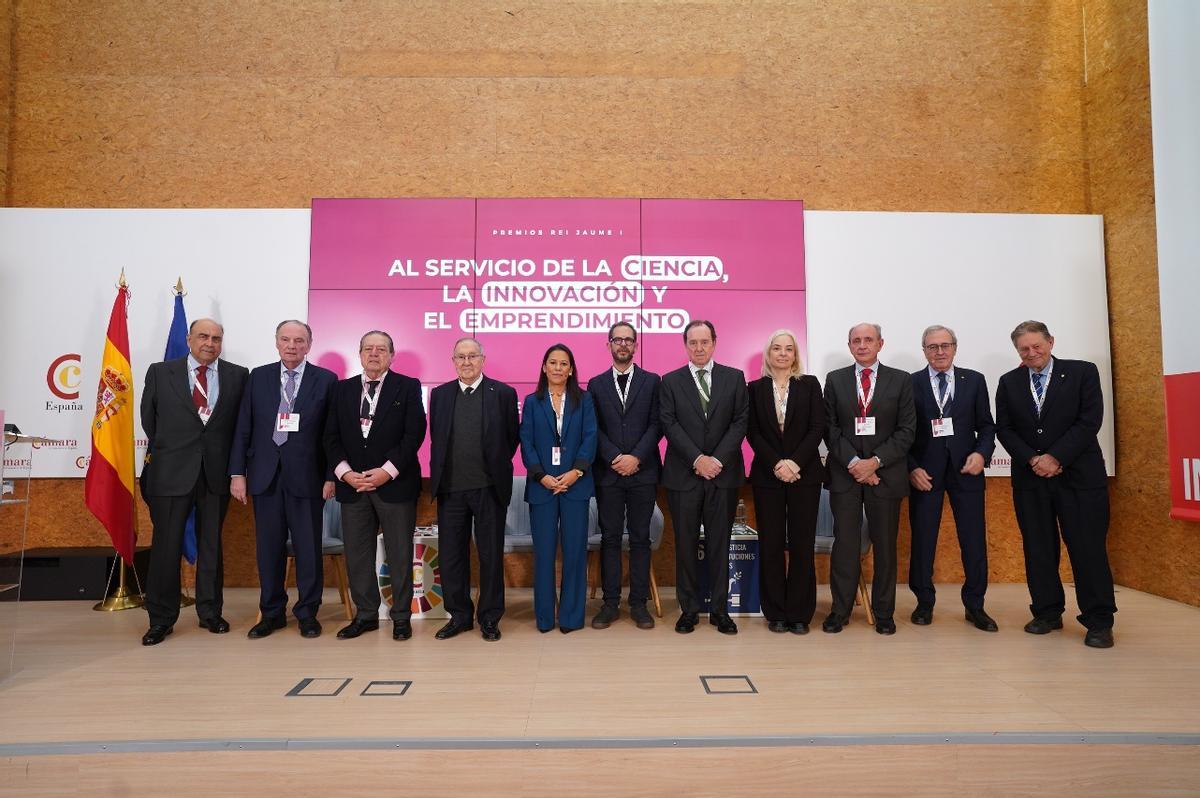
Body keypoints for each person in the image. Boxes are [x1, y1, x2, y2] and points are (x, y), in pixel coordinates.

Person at [995, 320, 1116, 648]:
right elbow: (1004, 428)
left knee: (1087, 548)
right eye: (1024, 348)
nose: (1032, 353)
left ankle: (1099, 620)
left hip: (1079, 477)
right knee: (1038, 548)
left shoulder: (1082, 373)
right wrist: (1034, 460)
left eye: (1037, 345)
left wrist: (1055, 457)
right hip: (1031, 479)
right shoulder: (1009, 382)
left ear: (1051, 341)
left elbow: (1089, 420)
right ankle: (1047, 612)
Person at [140, 318, 248, 646]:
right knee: (165, 548)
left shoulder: (237, 375)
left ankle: (210, 613)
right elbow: (149, 420)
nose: (210, 343)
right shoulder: (160, 372)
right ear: (189, 339)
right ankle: (161, 619)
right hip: (171, 473)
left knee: (211, 546)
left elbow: (240, 427)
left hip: (215, 474)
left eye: (216, 338)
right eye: (203, 336)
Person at [229, 320, 337, 639]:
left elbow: (332, 435)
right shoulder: (258, 377)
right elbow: (243, 428)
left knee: (307, 550)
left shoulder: (326, 380)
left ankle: (307, 613)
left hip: (308, 478)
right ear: (276, 342)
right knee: (268, 550)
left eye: (299, 340)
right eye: (285, 339)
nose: (292, 345)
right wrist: (238, 473)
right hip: (264, 478)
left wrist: (331, 476)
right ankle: (272, 613)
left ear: (309, 345)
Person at [323, 330, 426, 641]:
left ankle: (401, 618)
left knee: (399, 554)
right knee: (357, 554)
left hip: (394, 484)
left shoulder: (407, 387)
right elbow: (330, 437)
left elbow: (414, 435)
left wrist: (386, 471)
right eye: (369, 348)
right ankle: (365, 615)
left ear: (391, 356)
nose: (374, 354)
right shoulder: (341, 391)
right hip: (353, 486)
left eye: (381, 349)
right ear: (360, 353)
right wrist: (344, 473)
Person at [823, 322, 915, 635]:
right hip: (845, 475)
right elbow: (830, 428)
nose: (862, 345)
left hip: (885, 474)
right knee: (845, 545)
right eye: (856, 341)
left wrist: (874, 463)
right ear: (850, 346)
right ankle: (840, 611)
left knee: (885, 546)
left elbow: (906, 431)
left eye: (868, 340)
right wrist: (854, 463)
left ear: (880, 343)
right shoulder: (835, 381)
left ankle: (885, 613)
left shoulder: (901, 381)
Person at [660, 320, 749, 636]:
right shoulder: (669, 382)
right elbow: (669, 425)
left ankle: (720, 611)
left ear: (714, 343)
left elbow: (740, 423)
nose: (698, 348)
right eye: (692, 342)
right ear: (685, 345)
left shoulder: (734, 378)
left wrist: (716, 460)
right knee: (684, 545)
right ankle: (688, 611)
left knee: (719, 544)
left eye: (704, 342)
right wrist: (698, 459)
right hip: (684, 475)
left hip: (722, 476)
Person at [428, 337, 519, 642]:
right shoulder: (439, 395)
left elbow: (511, 438)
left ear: (483, 359)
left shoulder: (503, 393)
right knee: (452, 556)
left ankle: (490, 618)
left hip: (489, 488)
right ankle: (460, 616)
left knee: (490, 556)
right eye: (460, 357)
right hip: (451, 488)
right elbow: (437, 439)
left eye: (472, 357)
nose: (466, 363)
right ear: (453, 361)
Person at [907, 325, 998, 632]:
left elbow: (986, 426)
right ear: (924, 350)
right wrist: (911, 467)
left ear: (955, 348)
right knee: (923, 540)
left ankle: (975, 605)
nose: (940, 352)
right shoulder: (911, 383)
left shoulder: (974, 380)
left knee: (973, 539)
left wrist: (982, 454)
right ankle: (923, 602)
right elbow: (902, 432)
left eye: (945, 345)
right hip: (925, 474)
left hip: (966, 470)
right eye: (932, 347)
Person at [746, 329, 825, 635]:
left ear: (795, 355)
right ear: (768, 353)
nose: (782, 353)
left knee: (802, 544)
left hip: (804, 475)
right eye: (776, 348)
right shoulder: (754, 388)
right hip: (768, 475)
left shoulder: (809, 385)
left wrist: (794, 462)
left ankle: (800, 613)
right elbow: (752, 431)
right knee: (772, 544)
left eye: (788, 349)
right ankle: (776, 611)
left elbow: (818, 427)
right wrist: (777, 463)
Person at [587, 322, 662, 630]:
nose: (623, 345)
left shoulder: (652, 381)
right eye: (617, 340)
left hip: (643, 472)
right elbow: (594, 427)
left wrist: (636, 457)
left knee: (641, 539)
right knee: (610, 539)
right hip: (609, 472)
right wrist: (616, 457)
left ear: (635, 346)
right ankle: (610, 603)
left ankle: (638, 604)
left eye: (628, 340)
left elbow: (657, 424)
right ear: (609, 345)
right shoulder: (595, 383)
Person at [519, 343, 598, 633]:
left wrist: (576, 471)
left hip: (575, 485)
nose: (557, 368)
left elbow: (590, 438)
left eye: (563, 363)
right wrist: (541, 475)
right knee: (544, 553)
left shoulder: (584, 400)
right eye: (552, 362)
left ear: (571, 369)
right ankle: (544, 618)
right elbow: (526, 442)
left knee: (575, 551)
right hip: (543, 487)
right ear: (544, 367)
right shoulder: (531, 401)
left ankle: (571, 618)